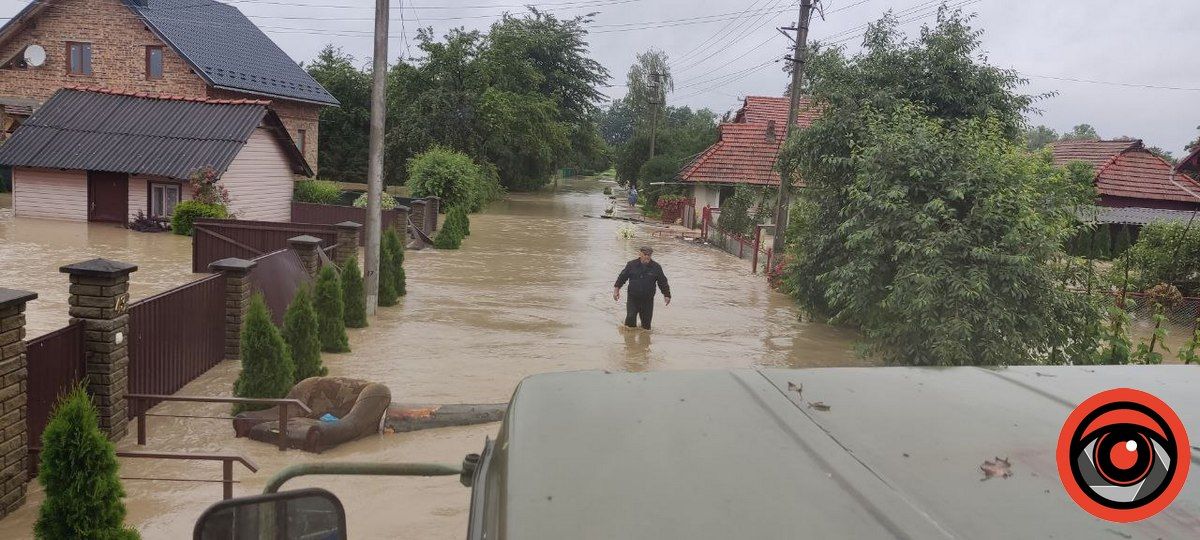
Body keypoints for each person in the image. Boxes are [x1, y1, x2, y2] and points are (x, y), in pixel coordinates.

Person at [613, 246, 670, 330]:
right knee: (630, 321)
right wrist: (616, 290)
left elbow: (663, 282)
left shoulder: (656, 267)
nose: (647, 256)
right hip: (633, 298)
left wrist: (667, 295)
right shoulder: (631, 265)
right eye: (645, 254)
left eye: (649, 255)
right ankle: (629, 341)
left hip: (648, 300)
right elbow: (622, 277)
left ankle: (645, 342)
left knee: (646, 326)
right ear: (640, 254)